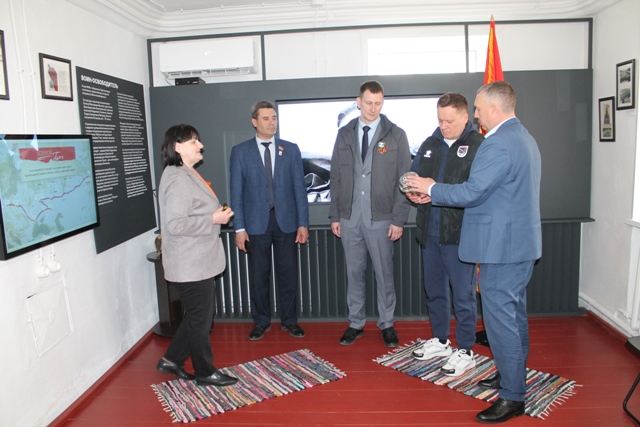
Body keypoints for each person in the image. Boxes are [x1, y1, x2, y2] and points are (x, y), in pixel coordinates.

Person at [404, 81, 541, 424]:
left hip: (501, 249)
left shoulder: (496, 144)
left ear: (494, 109)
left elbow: (472, 192)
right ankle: (511, 375)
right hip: (519, 245)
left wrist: (432, 187)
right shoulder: (524, 137)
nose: (477, 115)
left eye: (478, 109)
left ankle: (512, 396)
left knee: (501, 323)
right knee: (514, 318)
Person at [329, 80, 411, 348]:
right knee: (354, 273)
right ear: (358, 102)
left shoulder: (396, 135)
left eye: (378, 103)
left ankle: (387, 323)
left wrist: (398, 219)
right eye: (368, 103)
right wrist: (334, 215)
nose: (373, 108)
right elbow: (336, 176)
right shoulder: (344, 134)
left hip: (382, 219)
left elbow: (404, 180)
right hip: (349, 218)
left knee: (384, 273)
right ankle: (355, 323)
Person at [406, 93, 483, 377]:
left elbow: (476, 190)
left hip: (460, 234)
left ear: (465, 117)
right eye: (440, 120)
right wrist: (412, 191)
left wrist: (435, 190)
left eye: (449, 121)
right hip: (430, 231)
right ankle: (440, 340)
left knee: (463, 296)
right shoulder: (430, 143)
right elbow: (413, 176)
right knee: (434, 292)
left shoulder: (479, 146)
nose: (444, 126)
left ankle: (466, 350)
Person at [156, 124, 238, 387]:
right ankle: (204, 371)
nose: (200, 145)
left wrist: (215, 215)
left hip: (197, 261)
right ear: (178, 147)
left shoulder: (185, 173)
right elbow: (175, 225)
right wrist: (213, 218)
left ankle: (171, 360)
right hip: (190, 264)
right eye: (193, 141)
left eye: (198, 141)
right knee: (201, 320)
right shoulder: (178, 178)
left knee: (197, 316)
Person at [229, 101, 309, 341]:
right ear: (254, 122)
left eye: (274, 118)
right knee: (258, 276)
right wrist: (239, 228)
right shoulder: (240, 152)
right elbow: (236, 193)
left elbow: (300, 190)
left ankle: (289, 321)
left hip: (286, 222)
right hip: (255, 224)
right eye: (265, 118)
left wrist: (303, 223)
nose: (271, 122)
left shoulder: (290, 150)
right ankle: (261, 322)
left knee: (288, 274)